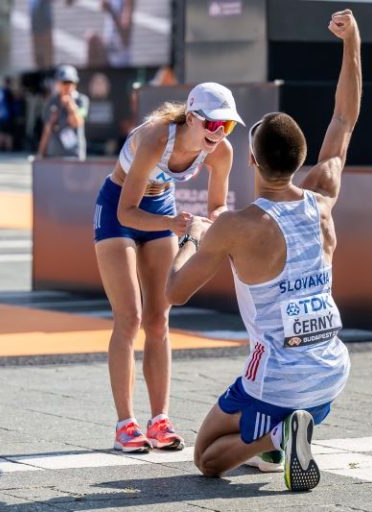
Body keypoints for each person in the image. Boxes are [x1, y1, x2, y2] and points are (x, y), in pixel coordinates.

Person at [166, 10, 361, 491]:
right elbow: (344, 117)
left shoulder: (235, 226)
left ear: (251, 159)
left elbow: (174, 291)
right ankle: (283, 439)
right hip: (330, 373)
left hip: (279, 379)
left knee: (208, 457)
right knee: (263, 416)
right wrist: (352, 43)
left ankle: (276, 434)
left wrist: (193, 233)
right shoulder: (322, 196)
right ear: (300, 160)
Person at [94, 82, 244, 453]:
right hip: (119, 209)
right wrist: (175, 226)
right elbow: (126, 211)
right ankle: (124, 423)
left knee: (159, 319)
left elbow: (217, 207)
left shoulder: (220, 151)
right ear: (192, 118)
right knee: (128, 317)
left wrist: (221, 229)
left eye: (227, 127)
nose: (219, 134)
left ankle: (159, 419)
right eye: (213, 125)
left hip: (162, 209)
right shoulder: (156, 138)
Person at [37, 65, 89, 160]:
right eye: (64, 82)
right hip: (53, 155)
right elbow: (47, 129)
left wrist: (70, 105)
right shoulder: (51, 101)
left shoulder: (82, 100)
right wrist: (41, 152)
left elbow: (78, 122)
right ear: (57, 83)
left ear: (75, 84)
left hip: (74, 155)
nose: (67, 86)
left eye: (70, 82)